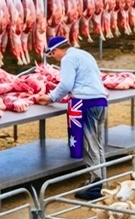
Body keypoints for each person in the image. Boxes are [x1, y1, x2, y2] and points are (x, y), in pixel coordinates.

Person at [36, 36, 108, 201]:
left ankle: (96, 186)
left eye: (52, 54)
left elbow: (67, 84)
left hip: (86, 103)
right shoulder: (84, 54)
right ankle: (102, 182)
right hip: (101, 101)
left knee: (90, 146)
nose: (54, 57)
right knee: (98, 144)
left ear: (56, 50)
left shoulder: (68, 58)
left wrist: (50, 97)